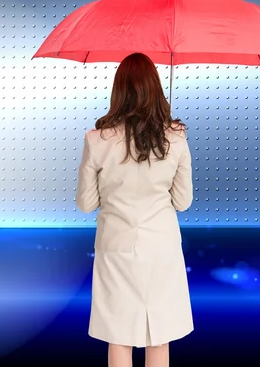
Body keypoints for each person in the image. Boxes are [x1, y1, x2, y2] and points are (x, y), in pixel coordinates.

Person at [75, 52, 194, 367]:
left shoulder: (96, 139)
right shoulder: (176, 139)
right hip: (162, 247)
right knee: (159, 334)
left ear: (119, 91)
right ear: (156, 88)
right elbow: (182, 202)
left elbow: (86, 203)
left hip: (116, 246)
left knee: (119, 335)